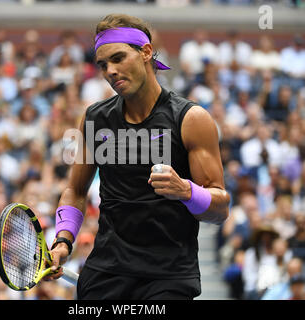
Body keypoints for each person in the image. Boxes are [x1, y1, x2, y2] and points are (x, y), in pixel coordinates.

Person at [44, 14, 230, 300]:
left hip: (169, 277)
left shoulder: (191, 119)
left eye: (119, 58)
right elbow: (75, 190)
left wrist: (186, 191)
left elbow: (220, 209)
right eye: (103, 64)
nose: (111, 71)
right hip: (105, 272)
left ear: (145, 52)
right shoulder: (95, 118)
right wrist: (63, 241)